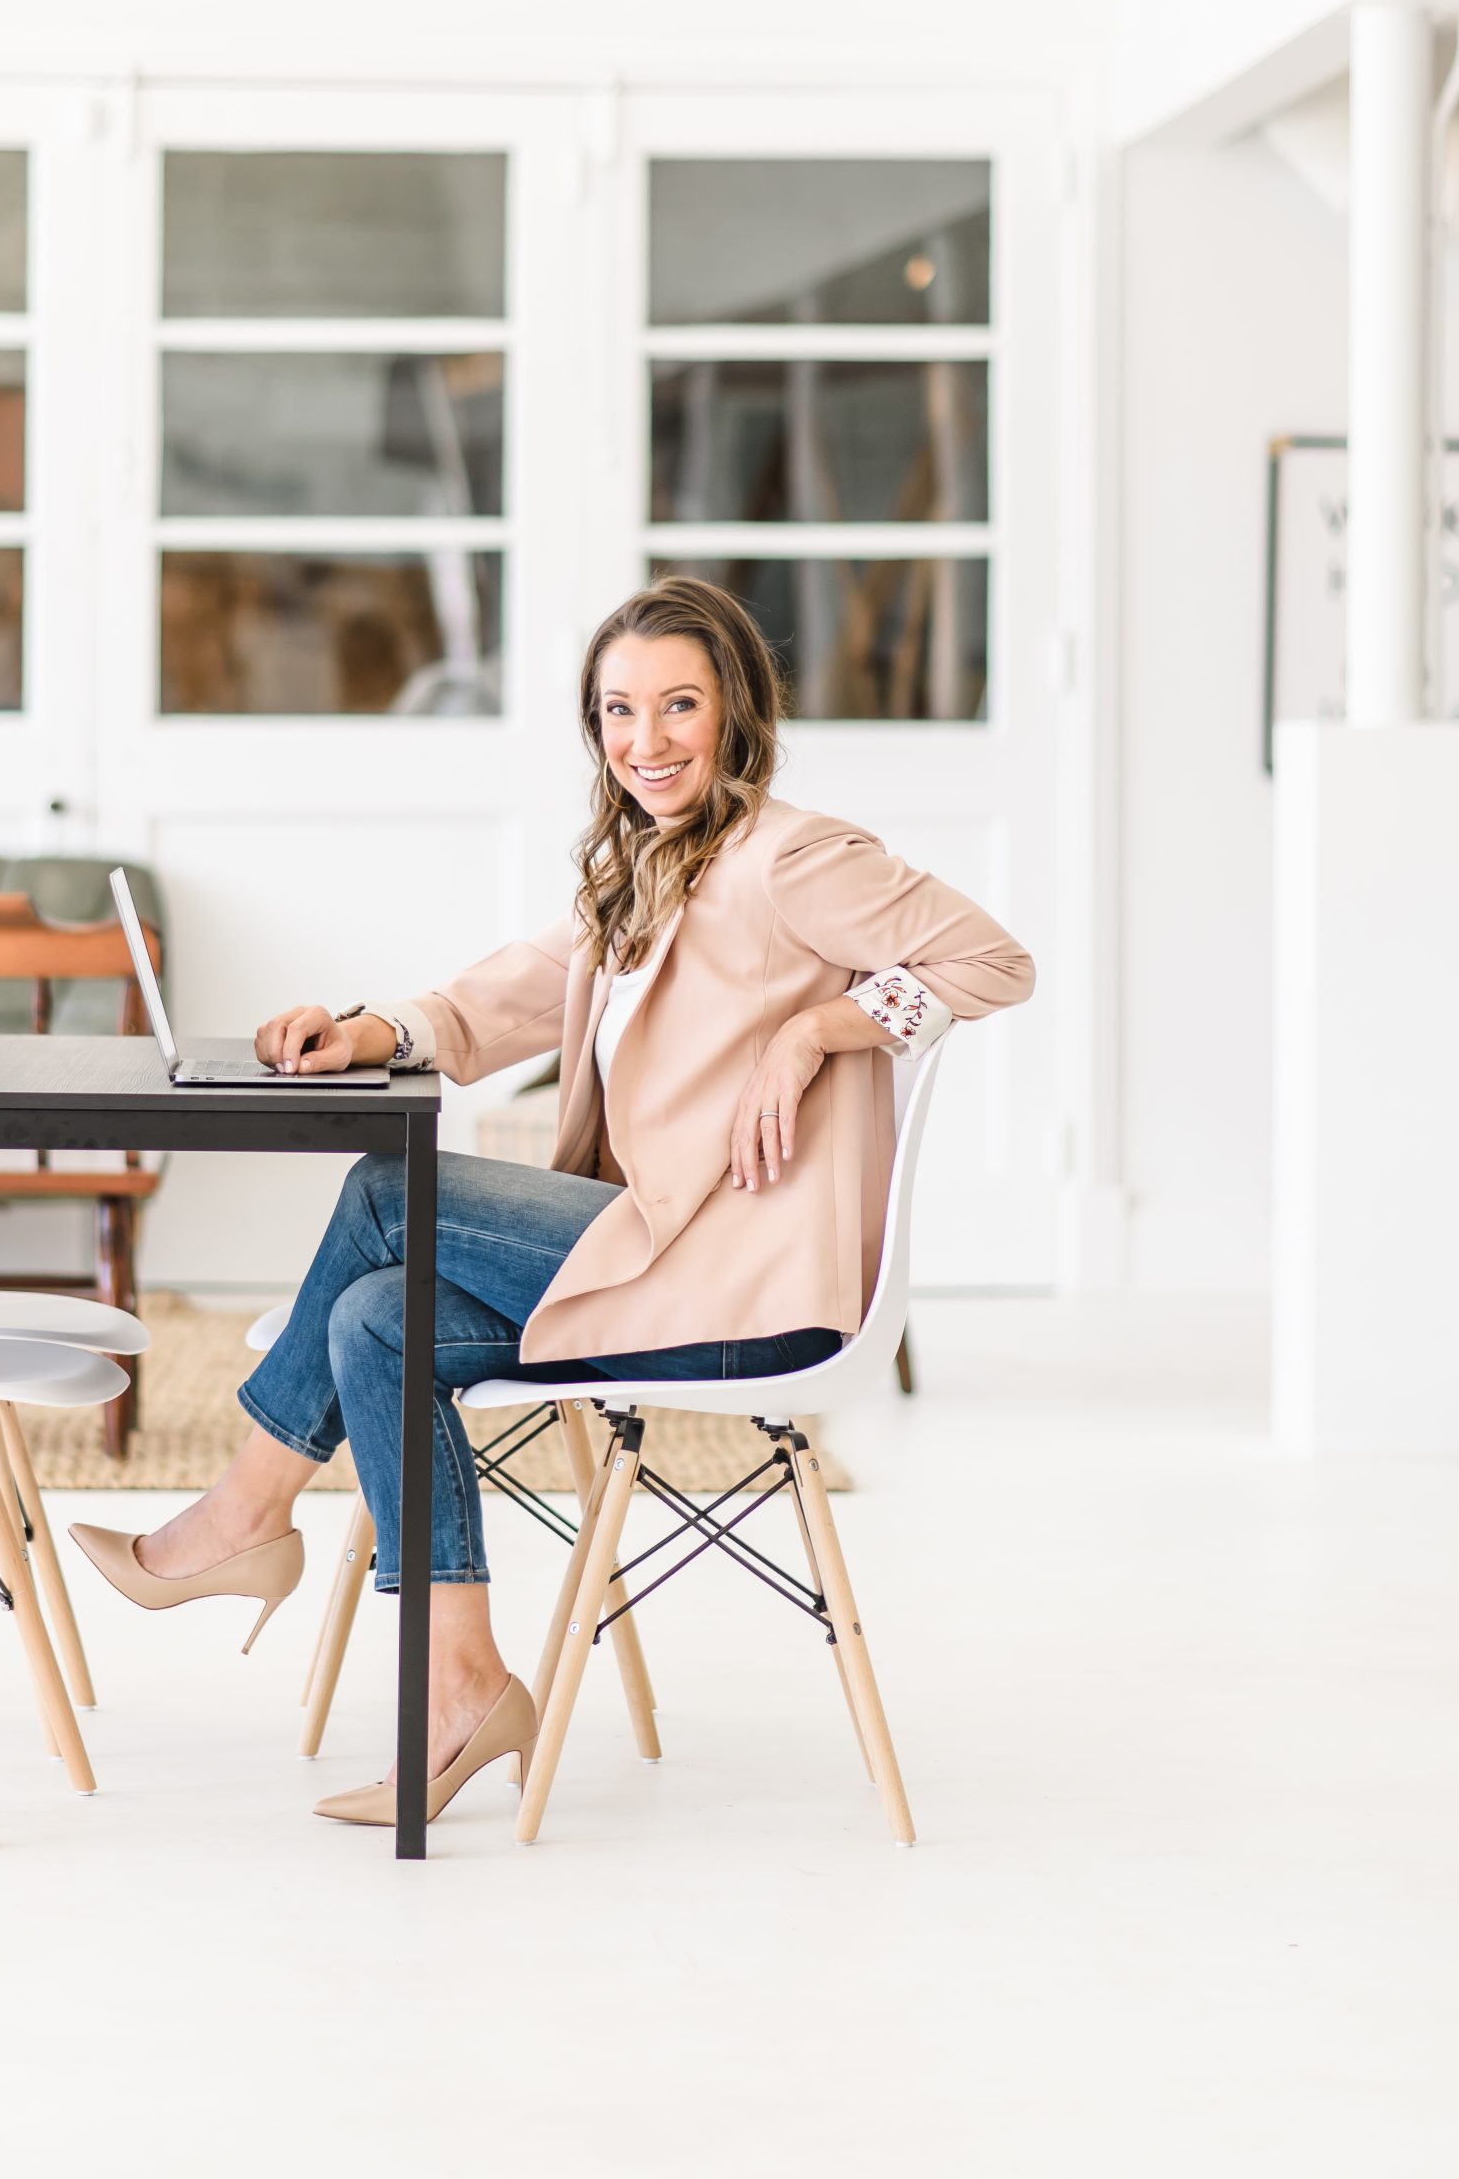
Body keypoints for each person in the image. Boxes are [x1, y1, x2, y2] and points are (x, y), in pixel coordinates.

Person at [72, 576, 1034, 1825]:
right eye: (619, 710)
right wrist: (361, 1029)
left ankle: (239, 1516)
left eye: (679, 705)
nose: (647, 740)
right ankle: (463, 1683)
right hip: (664, 1264)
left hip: (745, 1286)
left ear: (737, 711)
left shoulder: (794, 856)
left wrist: (816, 1029)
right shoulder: (644, 866)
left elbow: (992, 960)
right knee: (376, 1316)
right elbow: (503, 998)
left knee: (383, 1192)